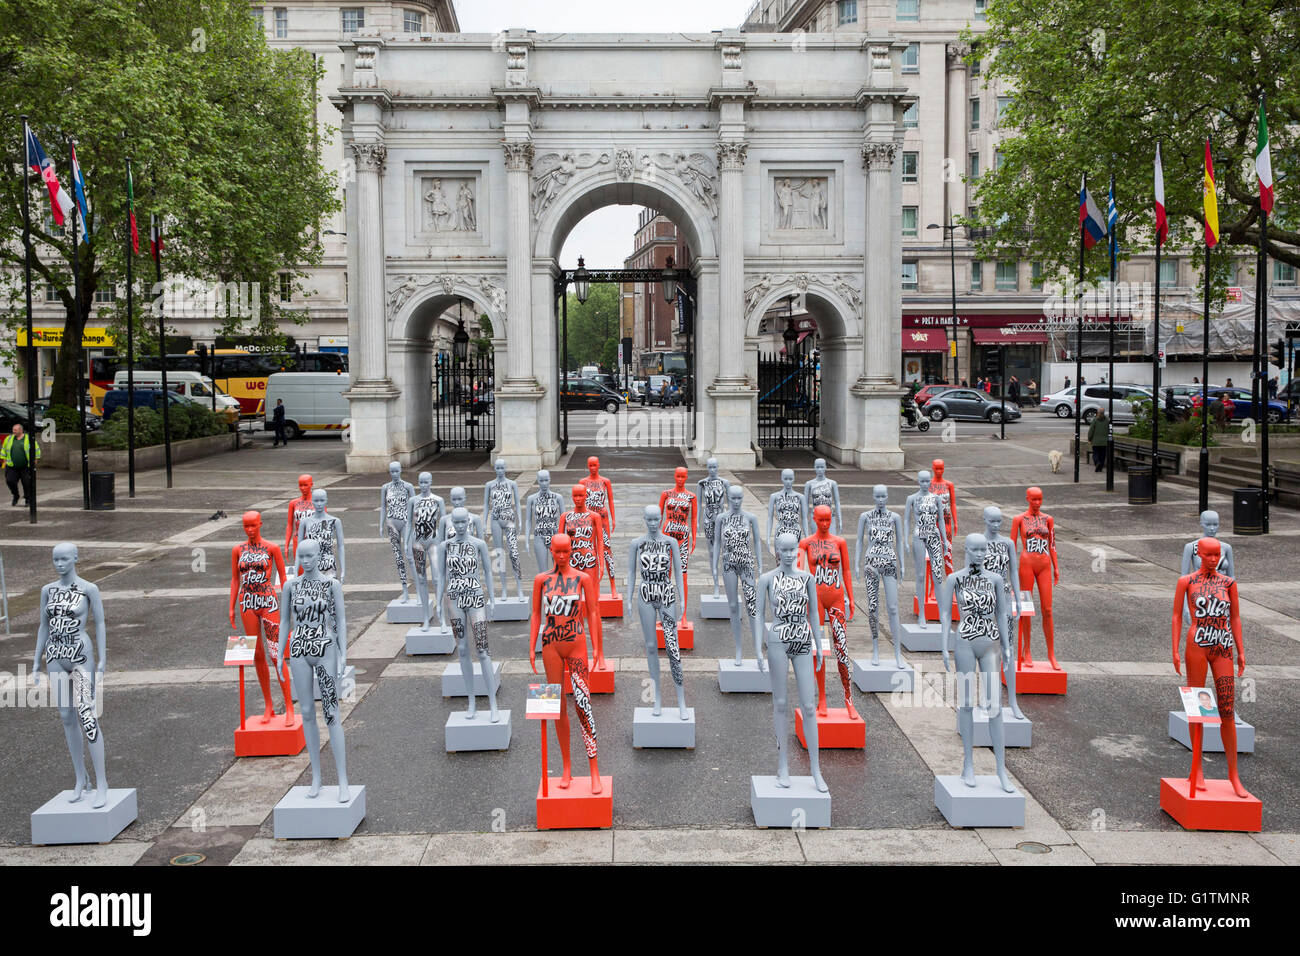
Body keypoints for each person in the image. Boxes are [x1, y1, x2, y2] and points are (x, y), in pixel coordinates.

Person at [2, 422, 39, 507]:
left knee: (27, 483)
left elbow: (36, 449)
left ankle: (27, 499)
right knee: (10, 481)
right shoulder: (9, 438)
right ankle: (16, 495)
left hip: (25, 467)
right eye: (13, 429)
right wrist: (4, 460)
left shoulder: (29, 439)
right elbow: (4, 449)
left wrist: (36, 459)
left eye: (15, 430)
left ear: (21, 430)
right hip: (11, 466)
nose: (13, 431)